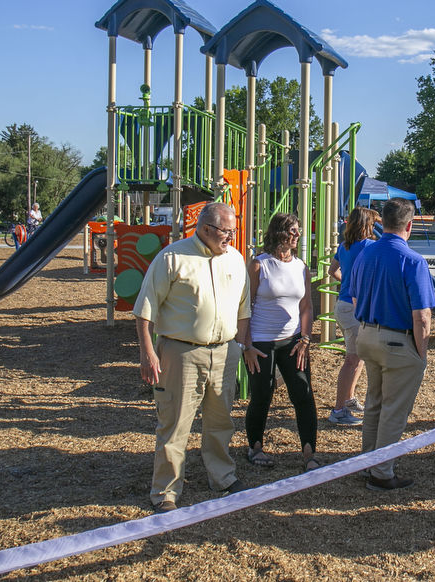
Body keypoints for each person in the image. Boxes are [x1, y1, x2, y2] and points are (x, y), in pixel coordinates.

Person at [133, 202, 250, 513]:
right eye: (227, 232)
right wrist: (147, 352)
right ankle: (166, 492)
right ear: (206, 229)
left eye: (234, 231)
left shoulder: (236, 260)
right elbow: (145, 309)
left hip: (225, 353)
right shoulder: (172, 257)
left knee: (221, 421)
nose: (231, 238)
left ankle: (222, 476)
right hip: (181, 352)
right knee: (174, 424)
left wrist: (244, 346)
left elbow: (243, 309)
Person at [350, 197, 435, 491]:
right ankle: (382, 472)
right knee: (394, 411)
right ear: (409, 225)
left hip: (367, 334)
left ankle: (368, 463)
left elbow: (354, 297)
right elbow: (422, 316)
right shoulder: (413, 260)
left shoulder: (364, 253)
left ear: (382, 222)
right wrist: (421, 353)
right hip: (397, 341)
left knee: (374, 403)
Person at [241, 213, 319, 471]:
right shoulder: (258, 265)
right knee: (263, 394)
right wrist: (247, 346)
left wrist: (305, 338)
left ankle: (309, 452)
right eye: (292, 230)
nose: (298, 235)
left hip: (293, 340)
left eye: (298, 230)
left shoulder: (301, 266)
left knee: (303, 393)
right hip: (261, 341)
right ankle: (255, 447)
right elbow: (244, 310)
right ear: (278, 233)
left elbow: (306, 306)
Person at [327, 207, 380, 426]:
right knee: (352, 360)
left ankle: (348, 399)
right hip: (354, 307)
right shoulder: (370, 246)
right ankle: (338, 410)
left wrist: (347, 282)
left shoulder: (344, 246)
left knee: (357, 358)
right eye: (374, 223)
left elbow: (333, 271)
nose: (376, 227)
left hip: (343, 304)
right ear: (367, 225)